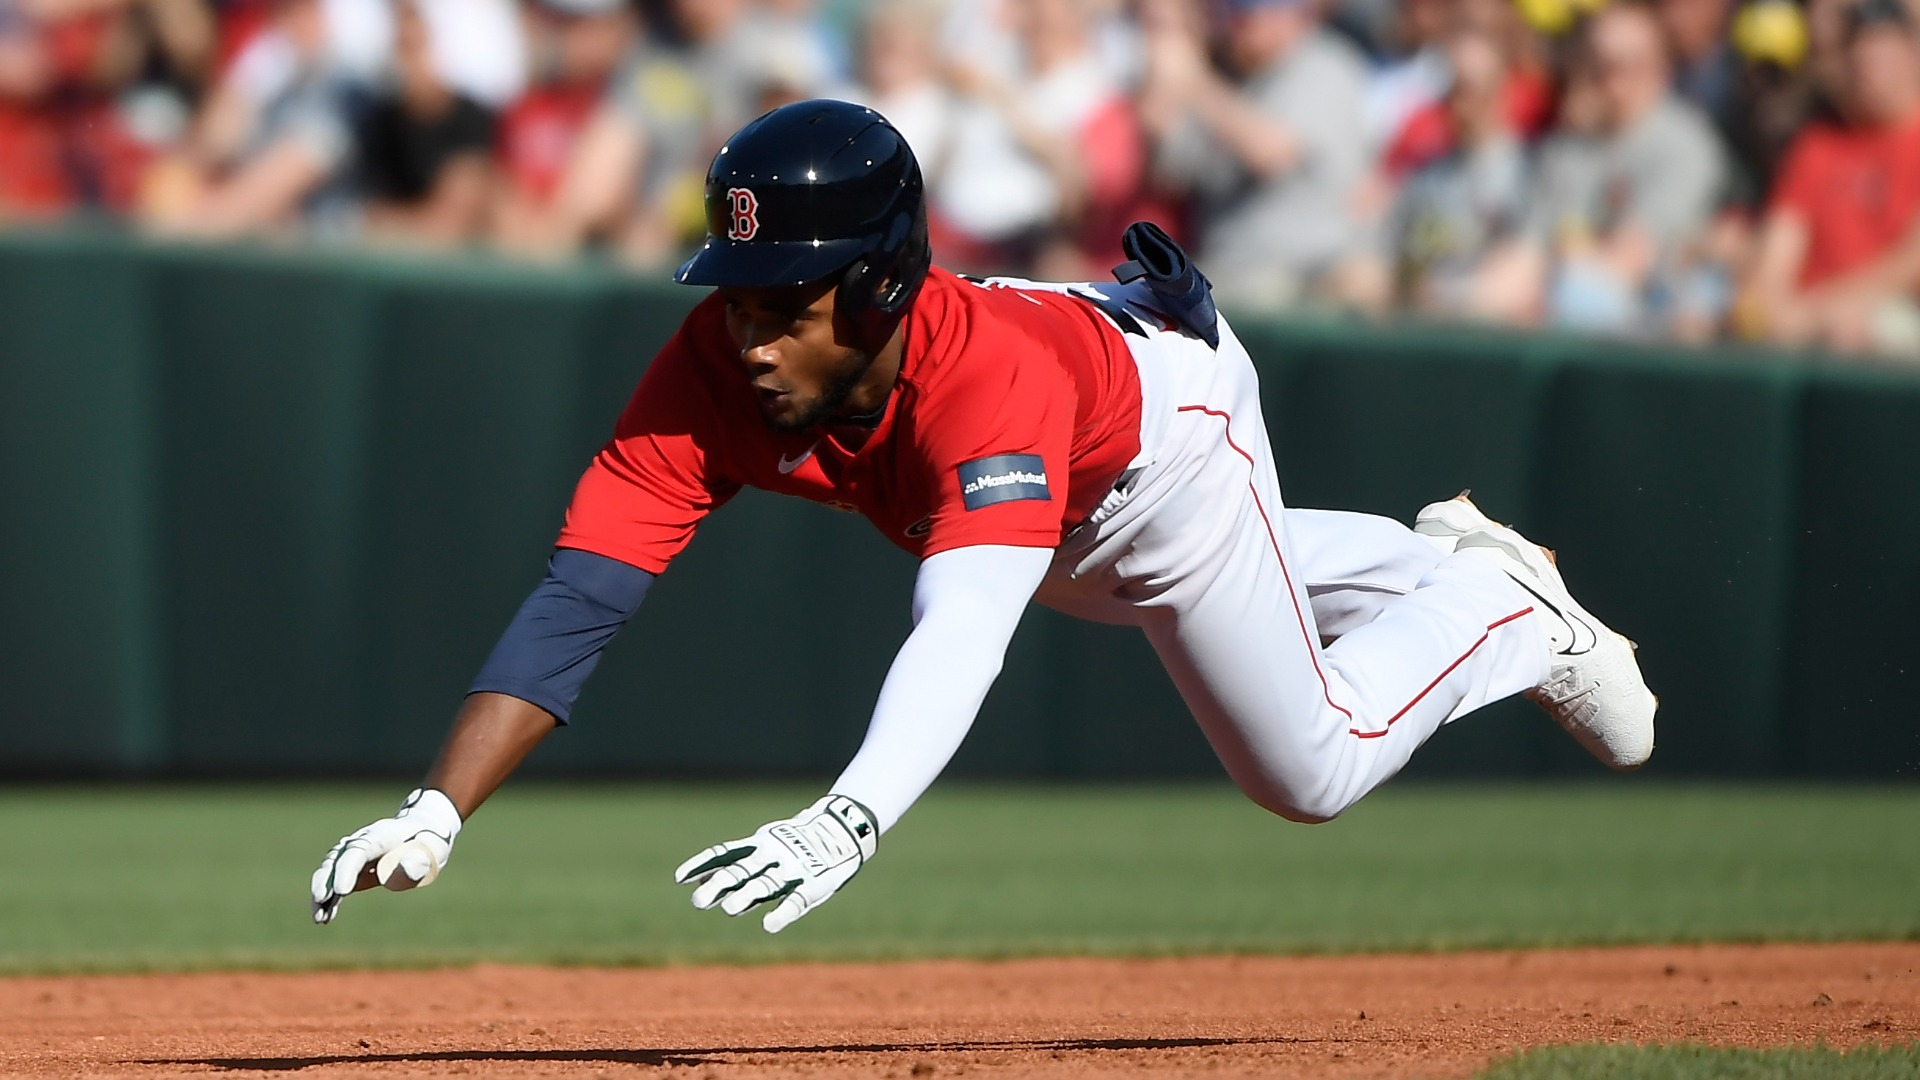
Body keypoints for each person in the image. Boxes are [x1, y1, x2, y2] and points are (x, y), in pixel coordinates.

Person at [309, 100, 1658, 934]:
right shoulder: (715, 371)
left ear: (882, 289)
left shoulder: (981, 385)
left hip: (1163, 451)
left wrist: (850, 816)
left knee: (1304, 770)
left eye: (787, 300)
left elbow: (962, 629)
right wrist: (438, 811)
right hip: (1069, 498)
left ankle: (1497, 609)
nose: (749, 333)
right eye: (735, 292)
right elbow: (584, 594)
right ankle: (1434, 560)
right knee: (1105, 577)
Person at [1735, 0, 1920, 357]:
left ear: (1911, 56)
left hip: (1883, 318)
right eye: (1858, 53)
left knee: (1852, 329)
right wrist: (1766, 301)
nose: (1867, 66)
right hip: (1803, 317)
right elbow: (1780, 244)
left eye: (1881, 54)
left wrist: (1814, 312)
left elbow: (1910, 263)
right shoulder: (1817, 144)